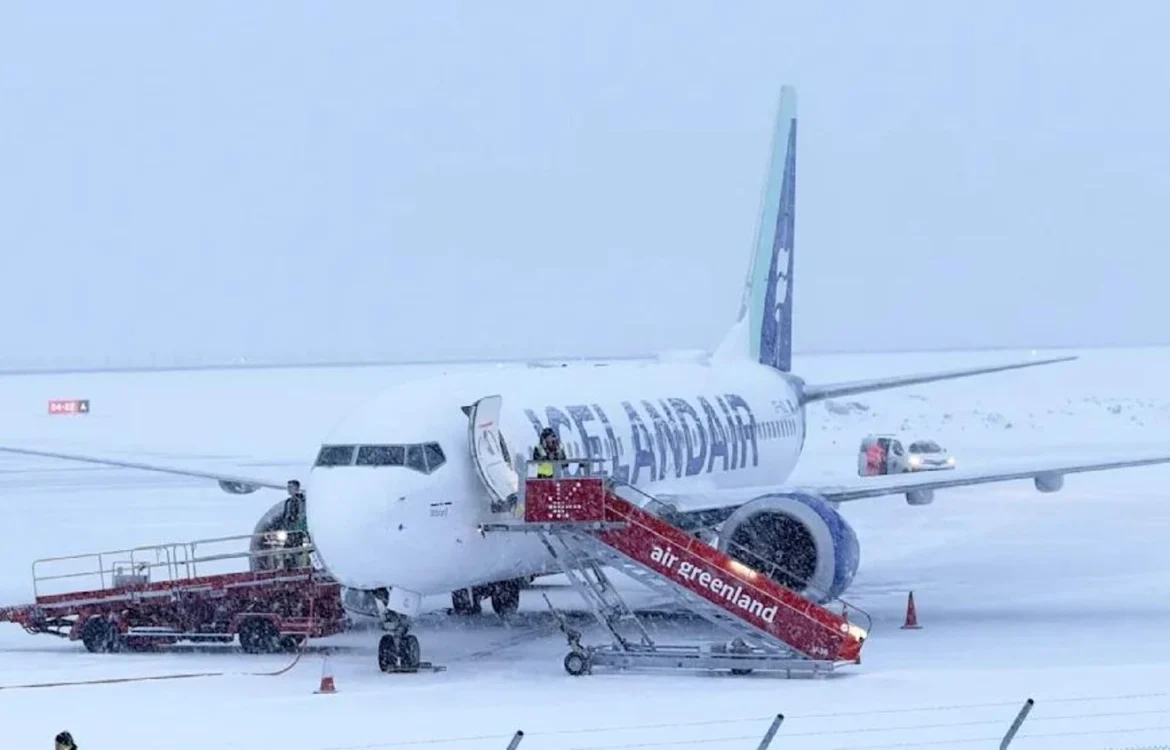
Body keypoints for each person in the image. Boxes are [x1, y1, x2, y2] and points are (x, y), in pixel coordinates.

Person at [282, 480, 310, 569]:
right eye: (288, 487)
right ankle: (290, 567)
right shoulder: (288, 502)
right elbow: (285, 516)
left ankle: (299, 567)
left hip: (298, 531)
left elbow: (302, 516)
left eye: (291, 487)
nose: (288, 489)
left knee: (297, 550)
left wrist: (299, 528)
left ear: (297, 488)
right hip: (289, 531)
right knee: (287, 550)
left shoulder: (302, 501)